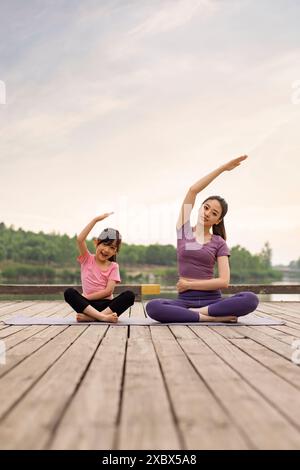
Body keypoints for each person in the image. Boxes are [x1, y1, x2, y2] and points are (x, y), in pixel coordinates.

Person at [146, 155, 259, 323]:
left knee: (251, 299)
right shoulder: (183, 231)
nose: (207, 213)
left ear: (218, 220)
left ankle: (198, 313)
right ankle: (211, 318)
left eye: (214, 213)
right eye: (206, 208)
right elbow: (193, 190)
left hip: (213, 301)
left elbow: (224, 281)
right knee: (152, 307)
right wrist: (222, 169)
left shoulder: (219, 242)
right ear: (199, 208)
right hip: (184, 301)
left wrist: (190, 285)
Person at [64, 213, 135, 322]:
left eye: (111, 247)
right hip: (87, 306)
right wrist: (95, 220)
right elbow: (80, 239)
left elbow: (108, 291)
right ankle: (102, 317)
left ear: (115, 251)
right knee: (69, 293)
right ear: (97, 242)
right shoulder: (87, 258)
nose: (107, 250)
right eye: (105, 244)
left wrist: (85, 298)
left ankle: (93, 318)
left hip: (107, 306)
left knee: (129, 295)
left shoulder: (114, 266)